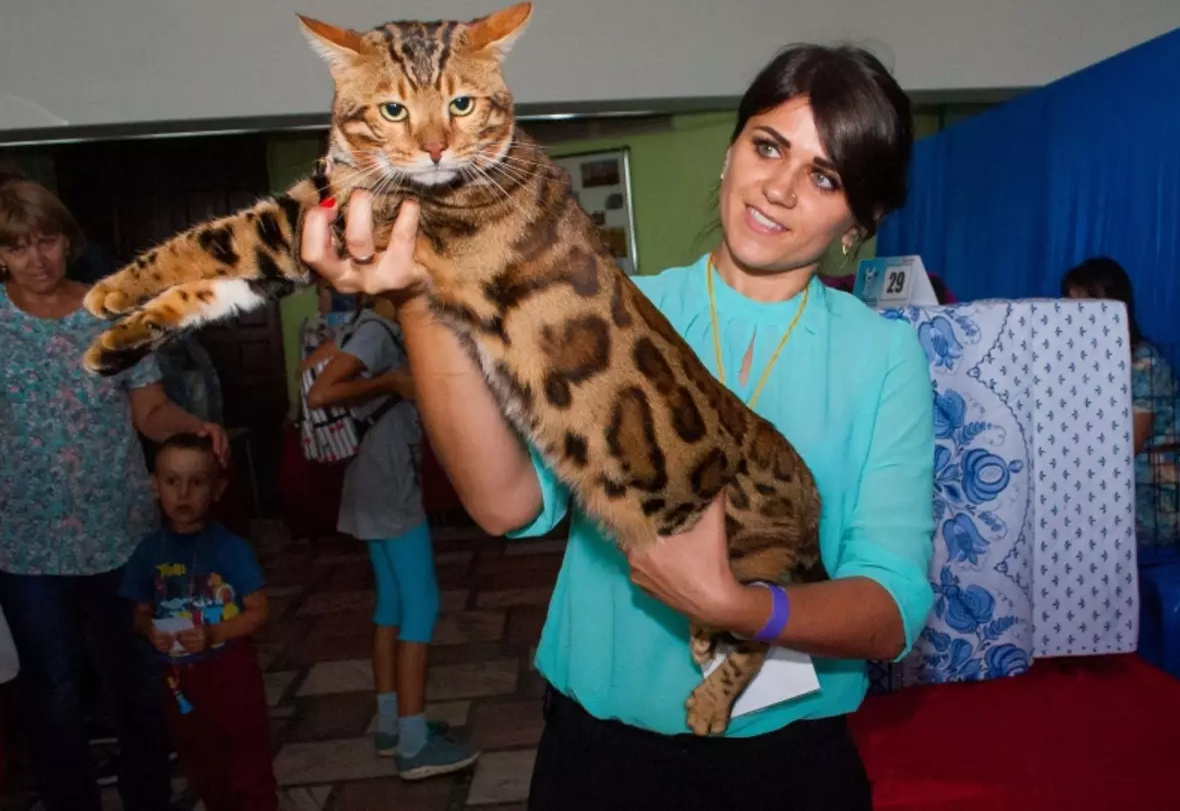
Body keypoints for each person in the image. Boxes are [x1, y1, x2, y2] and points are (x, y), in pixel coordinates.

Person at [302, 43, 935, 809]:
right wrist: (415, 295)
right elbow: (507, 504)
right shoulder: (615, 305)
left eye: (824, 176)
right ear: (732, 149)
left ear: (858, 219)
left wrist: (741, 607)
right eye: (768, 146)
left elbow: (892, 607)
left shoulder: (881, 354)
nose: (778, 188)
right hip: (603, 760)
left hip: (785, 766)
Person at [0, 178, 229, 811]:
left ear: (67, 241)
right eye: (18, 247)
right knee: (53, 689)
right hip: (27, 547)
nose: (37, 259)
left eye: (47, 240)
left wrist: (190, 425)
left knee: (136, 682)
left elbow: (150, 411)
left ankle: (148, 798)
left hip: (122, 535)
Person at [306, 303, 478, 780]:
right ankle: (414, 742)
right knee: (421, 605)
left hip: (369, 483)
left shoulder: (369, 326)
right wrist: (390, 383)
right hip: (387, 489)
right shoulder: (378, 332)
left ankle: (392, 725)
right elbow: (321, 392)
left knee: (392, 605)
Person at [120, 433, 276, 811]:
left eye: (197, 482)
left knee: (247, 765)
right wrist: (150, 629)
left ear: (217, 489)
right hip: (178, 678)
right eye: (172, 482)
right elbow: (139, 612)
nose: (183, 494)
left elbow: (259, 610)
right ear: (155, 486)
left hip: (229, 674)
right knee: (201, 763)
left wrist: (215, 633)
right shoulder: (148, 552)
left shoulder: (230, 549)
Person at [1062, 257, 1180, 556]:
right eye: (1070, 307)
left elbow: (1126, 446)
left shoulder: (1143, 363)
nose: (1076, 318)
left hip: (1151, 502)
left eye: (1087, 307)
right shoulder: (1087, 361)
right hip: (1109, 496)